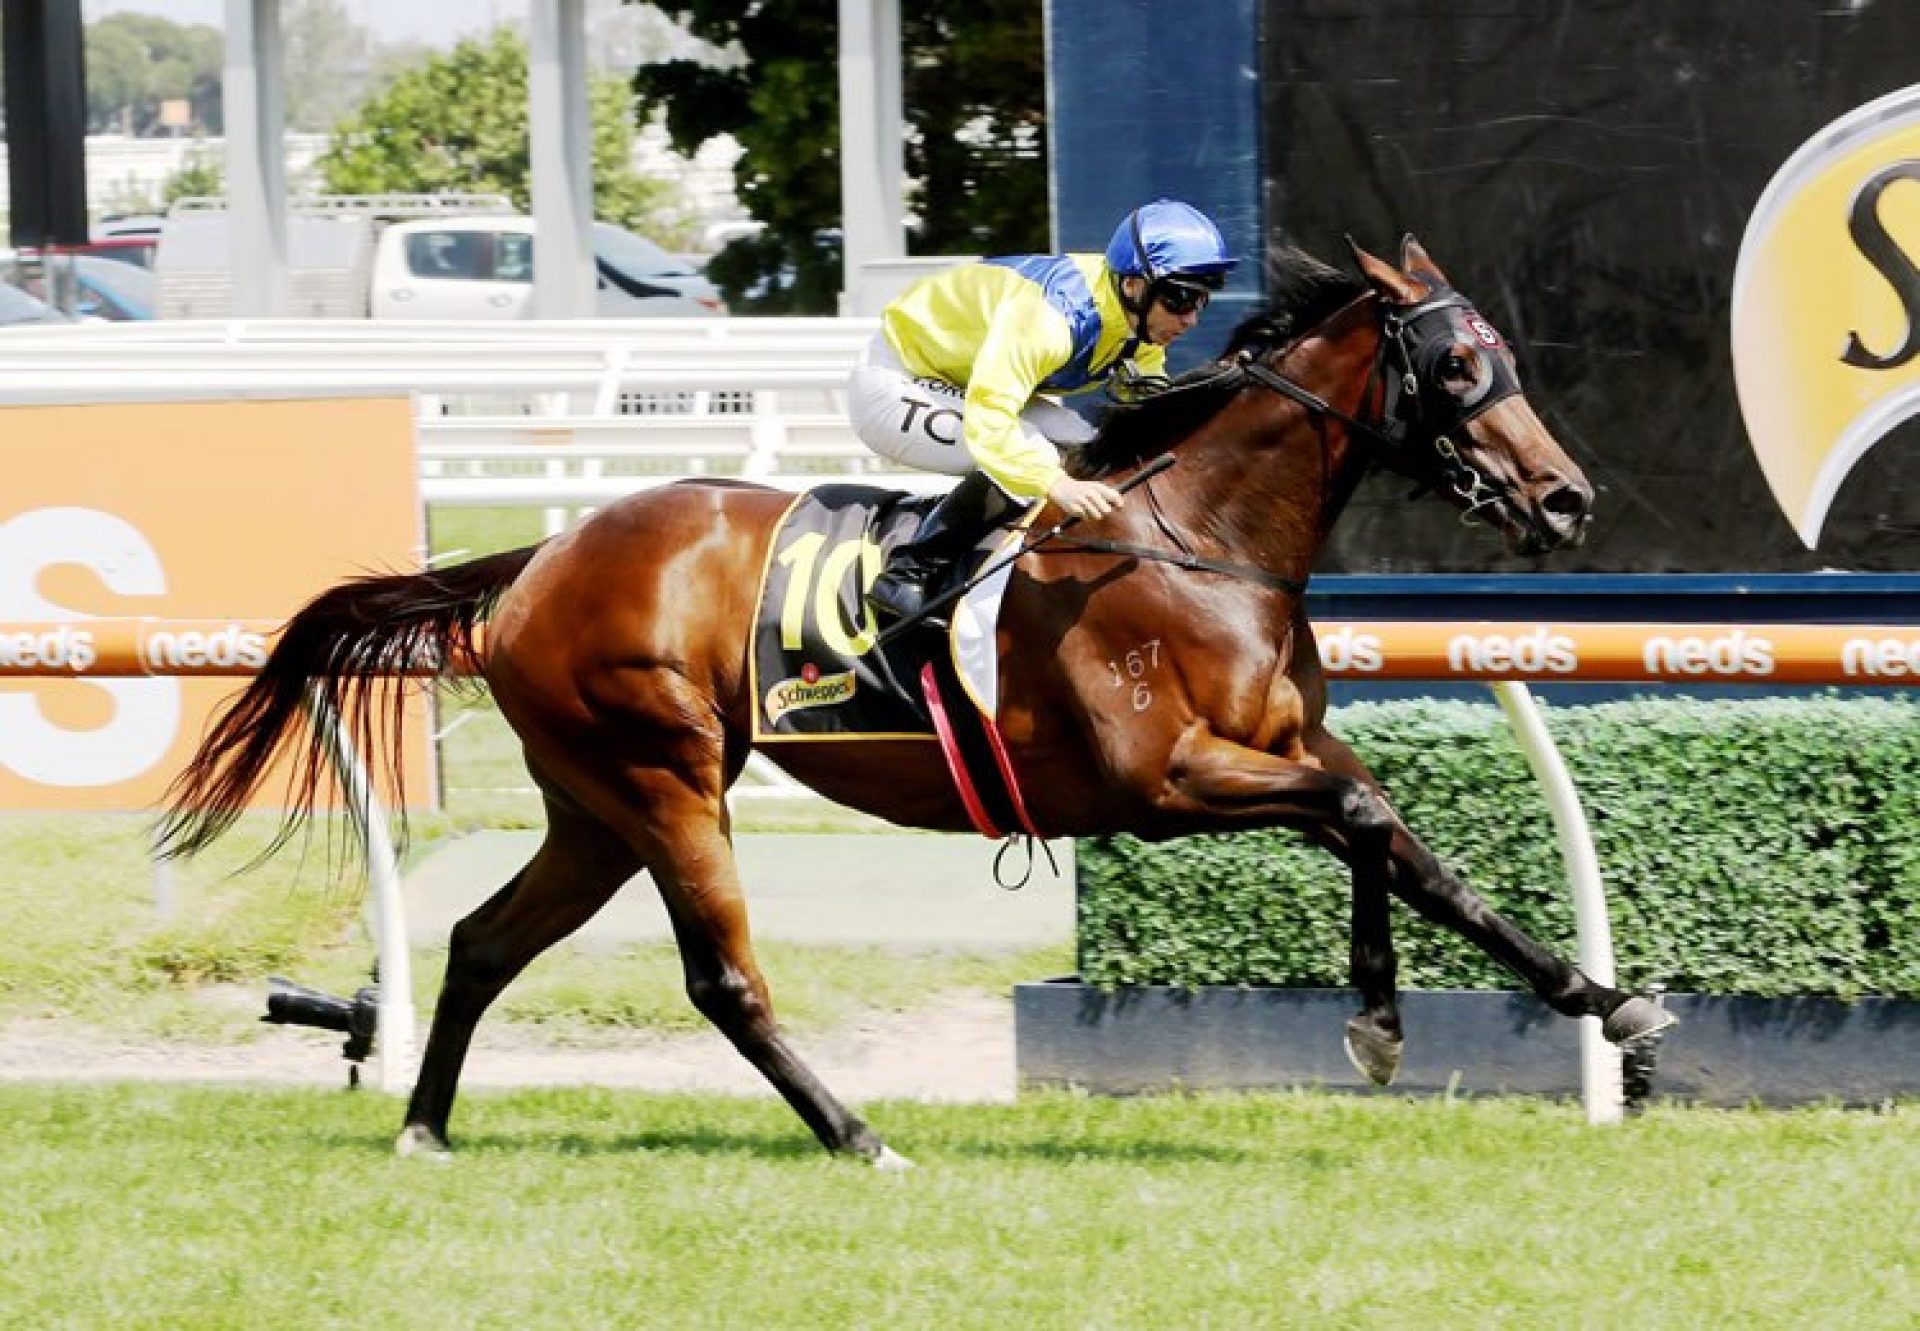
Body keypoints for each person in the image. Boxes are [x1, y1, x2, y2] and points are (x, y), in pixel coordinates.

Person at [847, 198, 1236, 624]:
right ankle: (909, 571)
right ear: (1133, 286)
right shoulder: (1051, 320)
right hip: (894, 379)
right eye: (1181, 299)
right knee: (1039, 460)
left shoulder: (1137, 322)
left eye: (1202, 301)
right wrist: (1055, 484)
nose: (1191, 319)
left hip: (962, 378)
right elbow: (989, 422)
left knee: (1088, 447)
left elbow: (1148, 406)